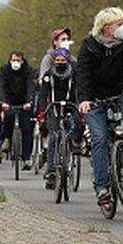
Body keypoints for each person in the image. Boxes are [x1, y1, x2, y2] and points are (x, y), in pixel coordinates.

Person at [77, 7, 123, 206]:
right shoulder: (88, 46)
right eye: (119, 24)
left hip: (120, 93)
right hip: (95, 100)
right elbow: (82, 74)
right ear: (107, 27)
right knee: (99, 140)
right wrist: (84, 99)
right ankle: (102, 188)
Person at [38, 47, 76, 189]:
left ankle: (71, 153)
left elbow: (78, 91)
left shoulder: (74, 74)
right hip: (54, 107)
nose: (60, 62)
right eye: (58, 60)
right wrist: (43, 110)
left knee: (73, 130)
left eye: (63, 60)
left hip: (70, 105)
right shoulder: (49, 75)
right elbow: (43, 95)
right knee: (54, 137)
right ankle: (51, 171)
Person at [0, 51, 35, 170]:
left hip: (24, 102)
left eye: (18, 60)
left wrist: (29, 101)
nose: (16, 62)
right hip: (9, 101)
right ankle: (6, 139)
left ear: (22, 61)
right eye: (14, 60)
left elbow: (30, 86)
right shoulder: (4, 70)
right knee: (8, 118)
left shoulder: (28, 70)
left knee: (27, 129)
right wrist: (3, 101)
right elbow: (1, 86)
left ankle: (26, 158)